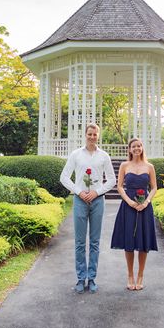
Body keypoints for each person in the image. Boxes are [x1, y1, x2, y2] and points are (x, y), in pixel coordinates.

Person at [60, 123, 116, 294]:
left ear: (98, 135)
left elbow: (112, 180)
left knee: (94, 242)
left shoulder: (104, 156)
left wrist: (96, 192)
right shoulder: (76, 155)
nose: (92, 137)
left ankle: (91, 278)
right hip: (79, 201)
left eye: (95, 134)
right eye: (89, 134)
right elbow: (64, 177)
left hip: (98, 201)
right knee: (79, 242)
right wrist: (79, 191)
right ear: (85, 135)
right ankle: (80, 278)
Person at [110, 137, 158, 291]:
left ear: (142, 148)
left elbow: (154, 188)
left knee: (143, 243)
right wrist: (129, 201)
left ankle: (140, 276)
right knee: (129, 242)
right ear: (129, 149)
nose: (137, 148)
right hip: (128, 207)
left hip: (145, 207)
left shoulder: (149, 166)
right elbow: (119, 187)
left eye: (139, 146)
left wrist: (146, 202)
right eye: (133, 146)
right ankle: (130, 275)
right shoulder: (125, 165)